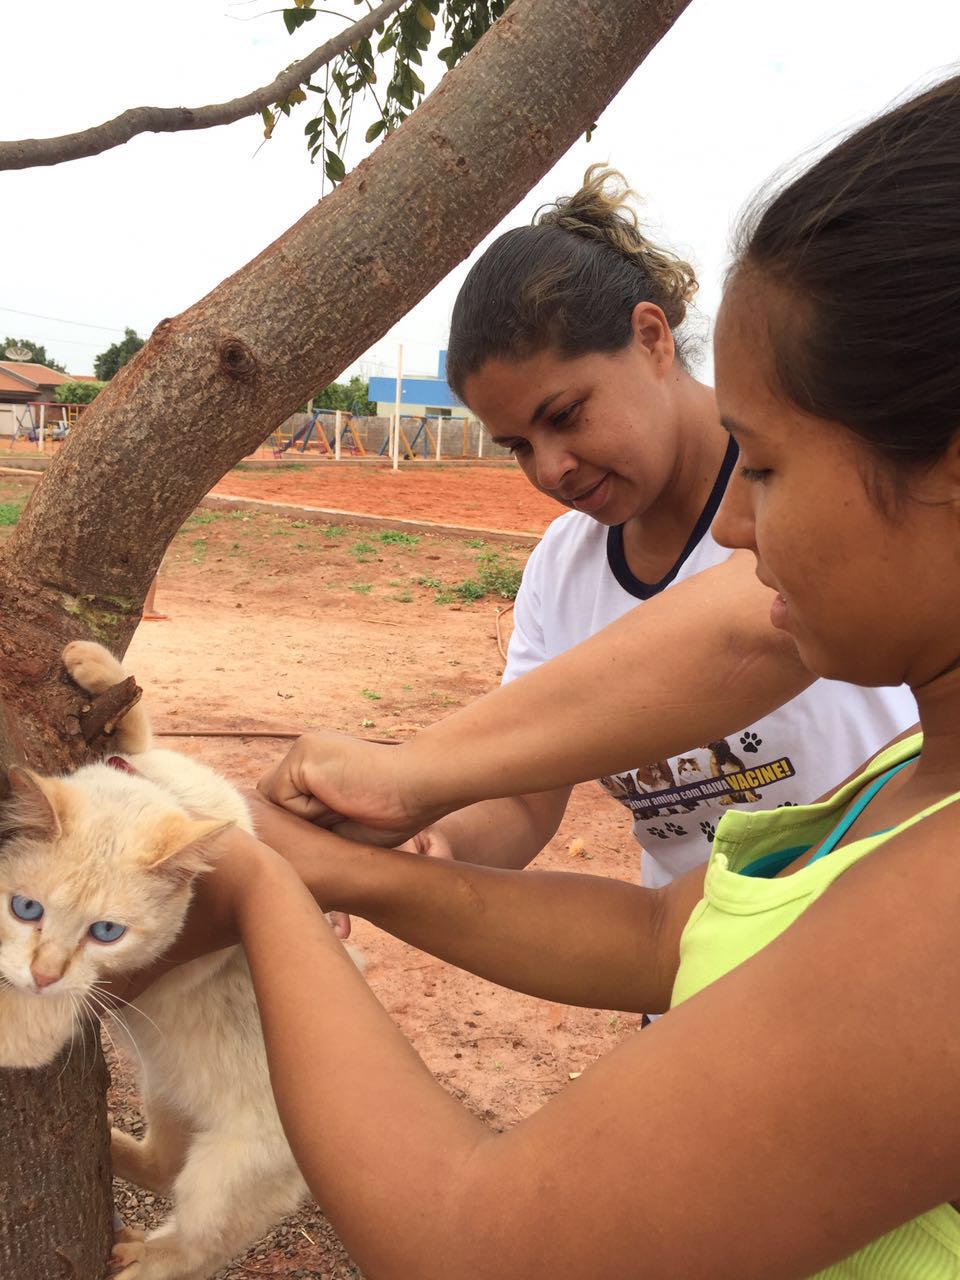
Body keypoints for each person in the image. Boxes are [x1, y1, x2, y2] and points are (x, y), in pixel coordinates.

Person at [146, 73, 960, 1278]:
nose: (739, 525)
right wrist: (376, 857)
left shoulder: (927, 921)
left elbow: (479, 1242)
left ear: (647, 335)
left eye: (773, 469)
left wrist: (284, 884)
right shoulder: (903, 773)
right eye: (519, 443)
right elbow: (658, 932)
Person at [375, 166, 916, 892]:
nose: (551, 469)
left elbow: (745, 632)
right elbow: (524, 793)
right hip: (691, 975)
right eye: (518, 446)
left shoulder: (814, 479)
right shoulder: (559, 571)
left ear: (652, 338)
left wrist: (406, 773)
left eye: (564, 415)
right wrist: (429, 842)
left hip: (882, 946)